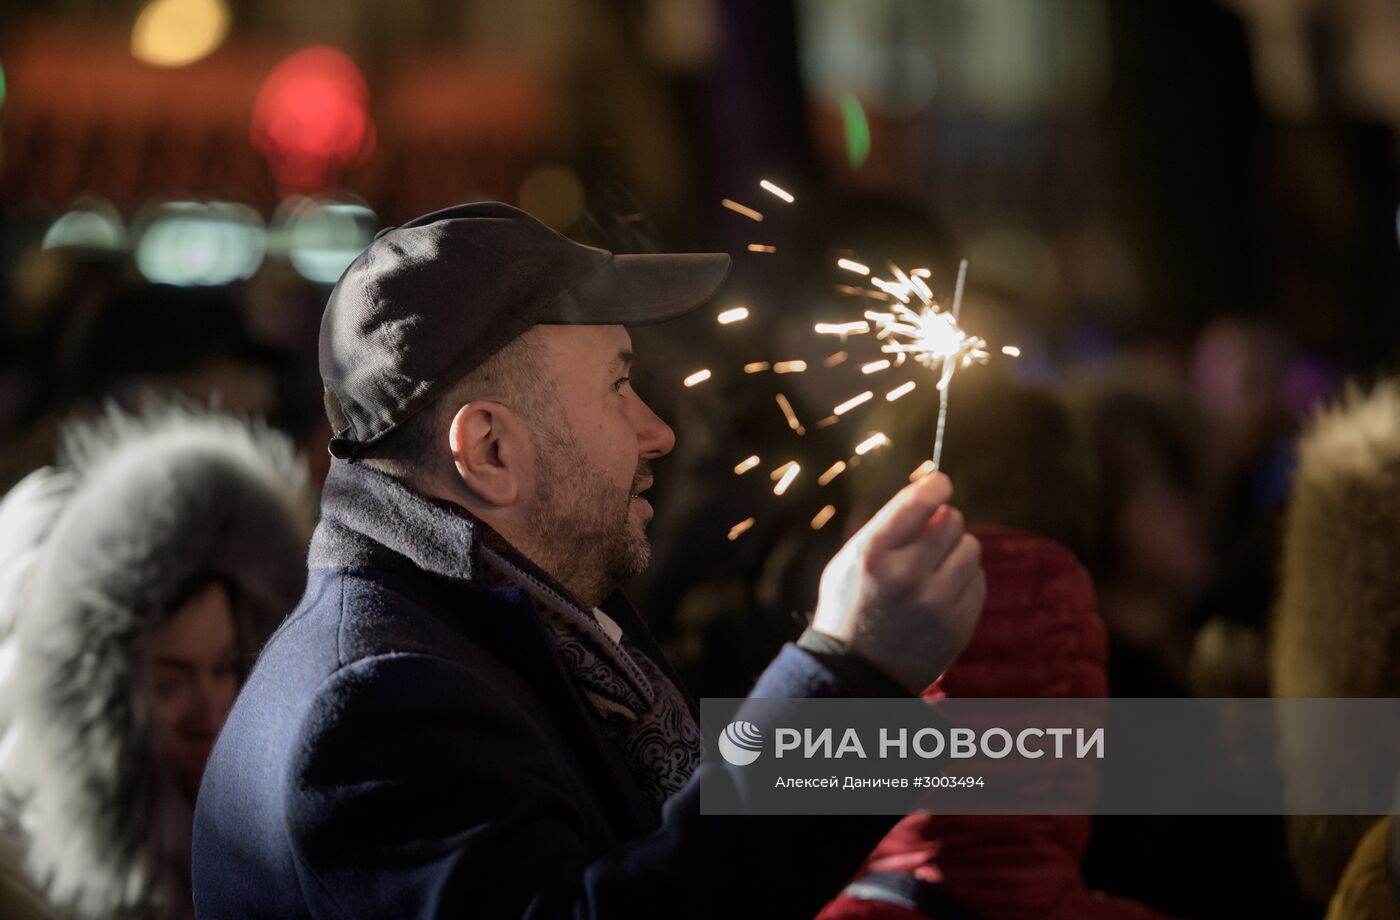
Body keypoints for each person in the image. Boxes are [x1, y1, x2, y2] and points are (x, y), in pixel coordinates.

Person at [191, 202, 987, 919]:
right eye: (618, 386)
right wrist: (849, 678)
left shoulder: (536, 616)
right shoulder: (376, 704)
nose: (657, 432)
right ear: (489, 447)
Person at [0, 403, 316, 920]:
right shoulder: (21, 876)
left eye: (223, 668)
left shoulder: (277, 839)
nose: (211, 713)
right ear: (94, 696)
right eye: (168, 683)